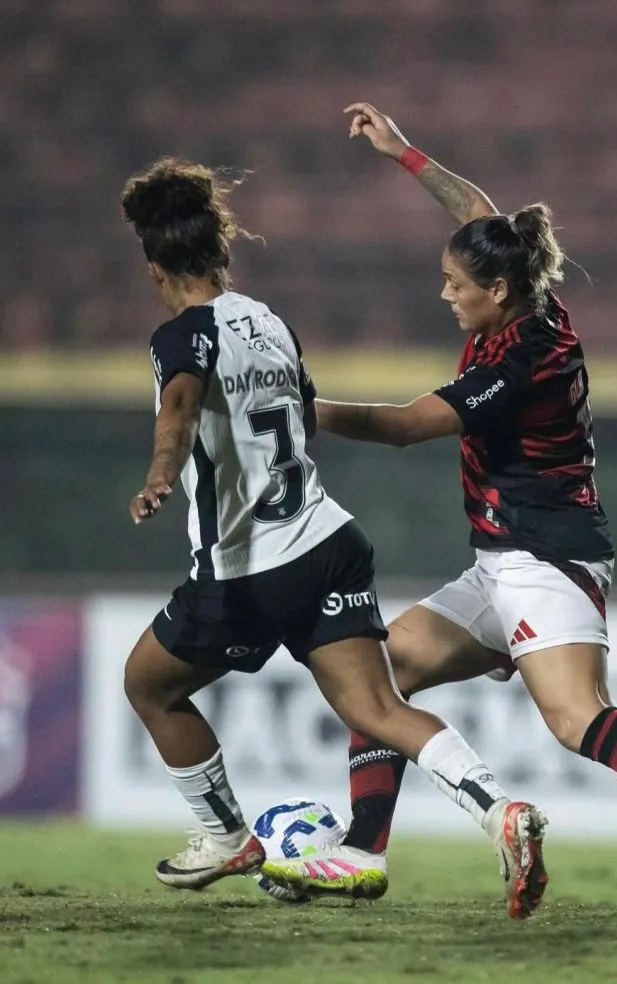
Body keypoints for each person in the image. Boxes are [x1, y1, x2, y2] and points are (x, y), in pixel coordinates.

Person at [260, 104, 617, 915]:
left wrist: (298, 403)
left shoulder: (523, 361)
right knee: (381, 671)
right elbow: (476, 213)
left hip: (548, 557)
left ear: (497, 291)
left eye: (457, 285)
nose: (445, 294)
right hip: (503, 556)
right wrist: (404, 153)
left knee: (577, 719)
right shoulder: (527, 298)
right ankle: (362, 851)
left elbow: (401, 429)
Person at [119, 156, 548, 918]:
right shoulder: (270, 321)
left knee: (147, 684)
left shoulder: (179, 338)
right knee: (379, 709)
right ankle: (500, 811)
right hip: (327, 539)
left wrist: (161, 471)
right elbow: (299, 410)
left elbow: (178, 410)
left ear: (157, 268)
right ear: (221, 252)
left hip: (247, 569)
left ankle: (225, 836)